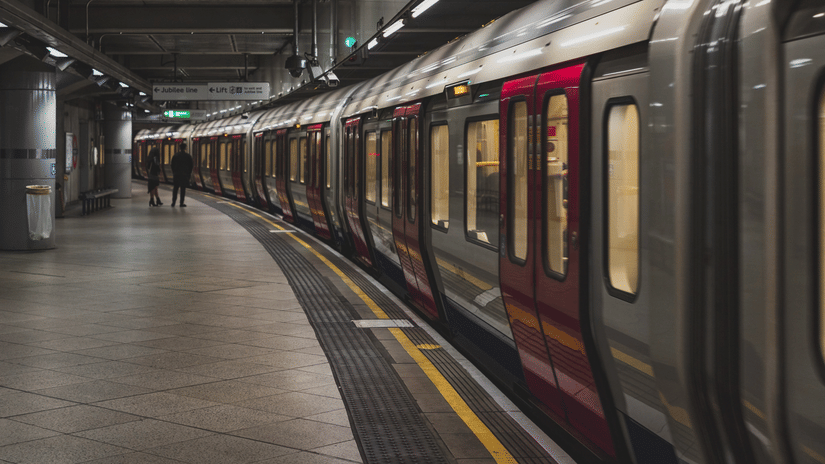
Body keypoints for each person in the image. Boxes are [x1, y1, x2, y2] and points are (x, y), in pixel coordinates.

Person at [170, 142, 193, 207]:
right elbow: (191, 166)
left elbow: (172, 165)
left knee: (175, 189)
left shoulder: (175, 155)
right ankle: (181, 203)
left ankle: (173, 202)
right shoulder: (188, 156)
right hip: (184, 175)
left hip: (176, 175)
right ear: (185, 148)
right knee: (183, 190)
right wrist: (188, 174)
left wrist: (174, 172)